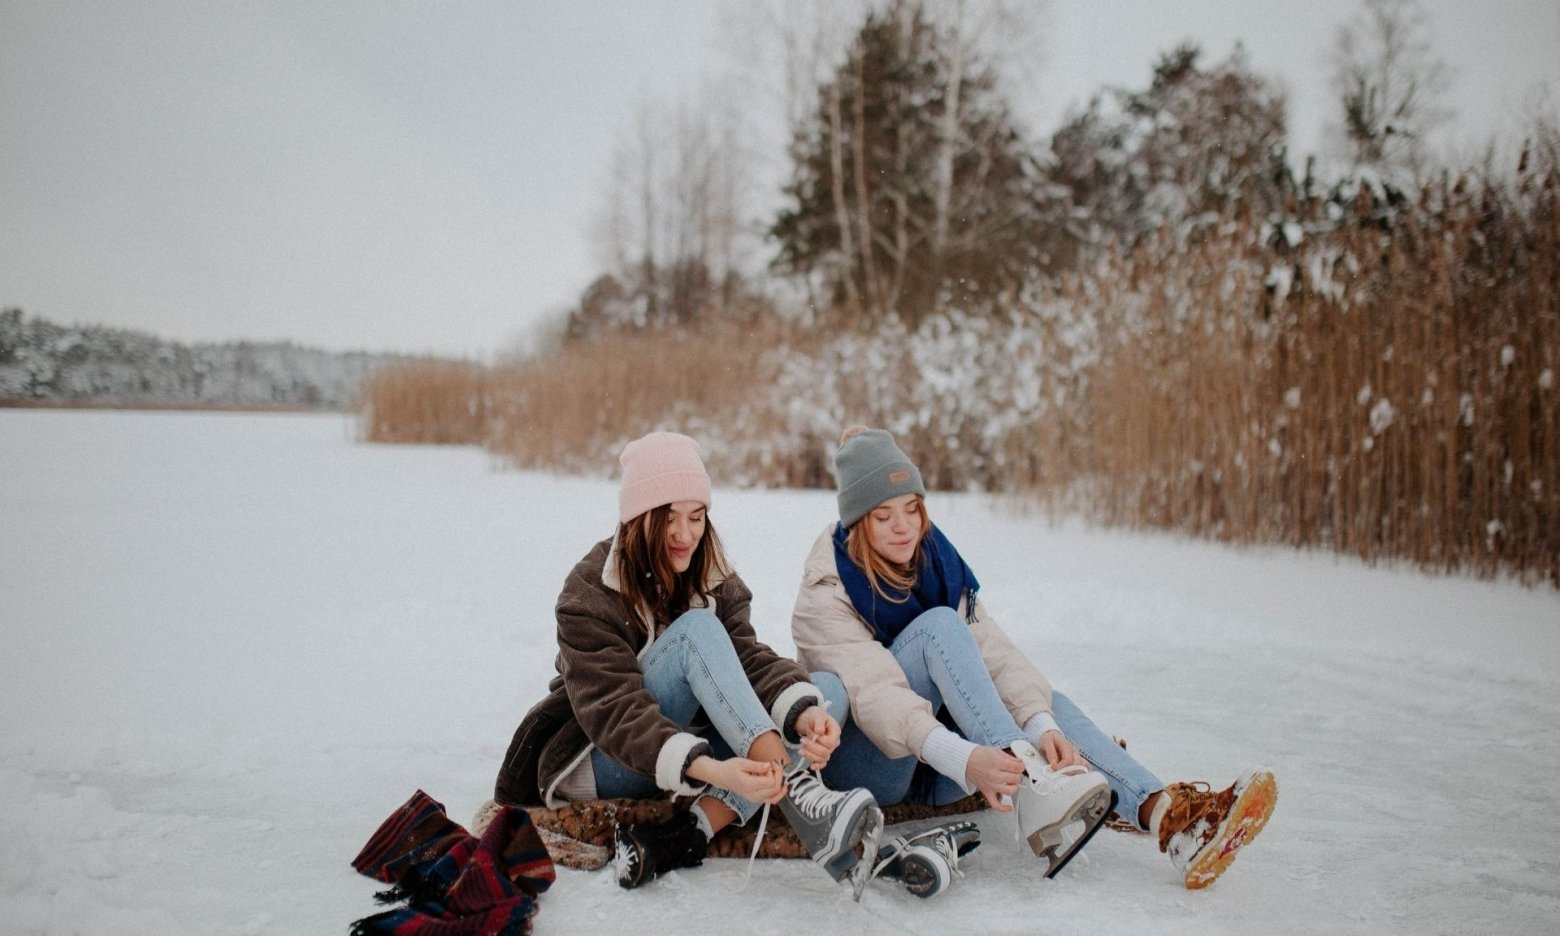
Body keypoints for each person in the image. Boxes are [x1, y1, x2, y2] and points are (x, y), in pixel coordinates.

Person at [790, 426, 1278, 889]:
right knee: (939, 627)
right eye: (883, 515)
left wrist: (1042, 725)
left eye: (912, 509)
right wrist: (973, 757)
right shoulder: (826, 589)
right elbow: (878, 697)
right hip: (874, 764)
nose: (904, 528)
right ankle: (1031, 779)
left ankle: (1168, 818)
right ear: (857, 521)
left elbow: (996, 656)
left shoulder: (936, 562)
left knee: (1044, 704)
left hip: (947, 767)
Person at [488, 431, 880, 891]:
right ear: (637, 520)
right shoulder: (588, 592)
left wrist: (807, 714)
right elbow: (616, 713)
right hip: (601, 757)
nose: (684, 534)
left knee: (824, 693)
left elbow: (747, 659)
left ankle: (683, 835)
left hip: (681, 743)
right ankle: (801, 793)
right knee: (697, 631)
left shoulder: (711, 573)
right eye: (667, 519)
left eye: (696, 517)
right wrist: (714, 770)